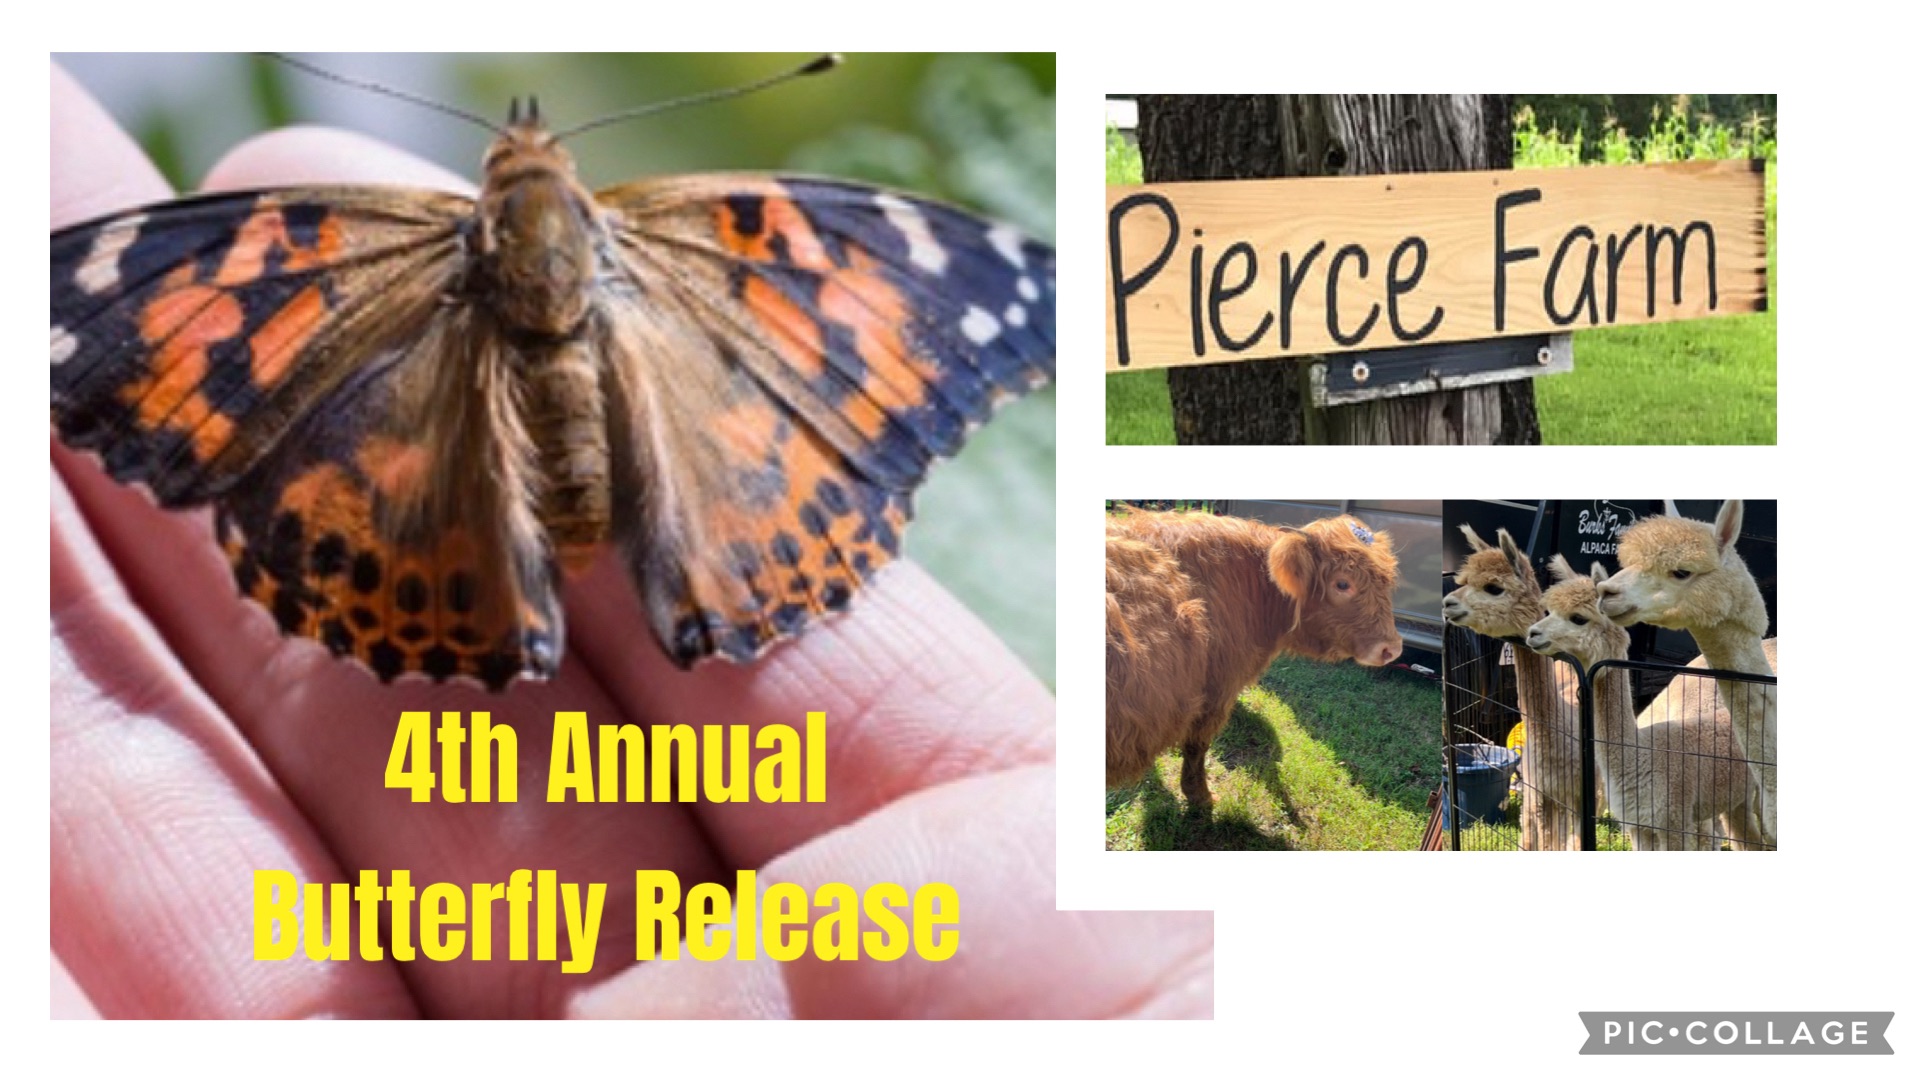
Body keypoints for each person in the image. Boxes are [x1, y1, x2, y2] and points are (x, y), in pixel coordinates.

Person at [49, 62, 1210, 1020]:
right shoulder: (746, 235)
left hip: (425, 480)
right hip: (705, 450)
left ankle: (474, 598)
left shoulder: (319, 244)